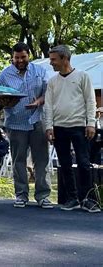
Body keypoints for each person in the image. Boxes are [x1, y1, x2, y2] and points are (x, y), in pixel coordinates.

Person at [44, 45, 100, 213]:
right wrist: (49, 127)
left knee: (84, 163)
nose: (51, 63)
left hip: (79, 126)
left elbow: (91, 101)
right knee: (65, 164)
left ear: (65, 59)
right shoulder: (53, 81)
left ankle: (88, 199)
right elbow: (48, 105)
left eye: (54, 59)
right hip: (59, 127)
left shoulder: (82, 76)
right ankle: (72, 198)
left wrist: (90, 123)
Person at [0, 42, 52, 209]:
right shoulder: (4, 76)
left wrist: (38, 102)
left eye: (23, 57)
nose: (20, 60)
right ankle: (21, 195)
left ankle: (43, 195)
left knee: (41, 160)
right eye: (16, 58)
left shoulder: (40, 71)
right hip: (15, 122)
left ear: (29, 56)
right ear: (12, 58)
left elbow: (47, 93)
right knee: (18, 160)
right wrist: (5, 101)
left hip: (37, 120)